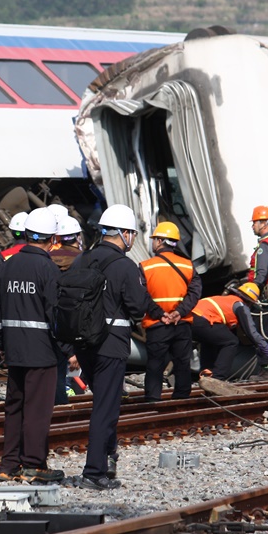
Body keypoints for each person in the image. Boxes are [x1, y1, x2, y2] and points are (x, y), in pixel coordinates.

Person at [69, 204, 165, 491]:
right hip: (111, 345)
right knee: (106, 409)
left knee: (104, 401)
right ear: (123, 234)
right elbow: (136, 307)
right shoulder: (124, 265)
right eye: (132, 234)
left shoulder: (82, 260)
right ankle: (94, 471)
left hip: (84, 343)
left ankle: (108, 459)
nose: (133, 239)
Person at [0, 207, 65, 484]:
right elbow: (55, 314)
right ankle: (34, 464)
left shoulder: (8, 265)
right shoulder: (48, 268)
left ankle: (8, 464)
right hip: (41, 352)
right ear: (51, 239)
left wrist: (1, 343)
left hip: (13, 349)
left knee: (14, 407)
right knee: (37, 410)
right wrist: (66, 349)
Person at [140, 221, 201, 402]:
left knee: (155, 364)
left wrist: (161, 314)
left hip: (157, 324)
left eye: (154, 239)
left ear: (159, 241)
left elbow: (141, 296)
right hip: (181, 324)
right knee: (182, 362)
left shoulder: (146, 266)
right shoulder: (188, 266)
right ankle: (181, 398)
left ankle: (152, 399)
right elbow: (195, 292)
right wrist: (179, 312)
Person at [190, 282, 268, 381]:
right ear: (250, 302)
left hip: (190, 319)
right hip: (204, 320)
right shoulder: (240, 305)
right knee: (231, 342)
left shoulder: (226, 300)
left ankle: (207, 375)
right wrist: (267, 349)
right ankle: (218, 377)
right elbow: (251, 332)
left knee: (211, 341)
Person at [50, 214, 84, 404]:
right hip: (73, 322)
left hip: (51, 320)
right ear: (77, 236)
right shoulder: (84, 259)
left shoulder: (48, 258)